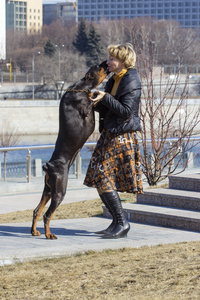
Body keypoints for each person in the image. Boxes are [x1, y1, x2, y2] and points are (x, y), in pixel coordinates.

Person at [84, 43, 143, 239]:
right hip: (111, 133)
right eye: (109, 58)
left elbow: (126, 112)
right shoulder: (115, 78)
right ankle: (117, 221)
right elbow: (110, 107)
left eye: (112, 59)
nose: (107, 62)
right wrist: (94, 100)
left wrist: (105, 97)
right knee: (98, 177)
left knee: (103, 177)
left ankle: (122, 222)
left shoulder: (131, 79)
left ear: (123, 61)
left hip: (122, 136)